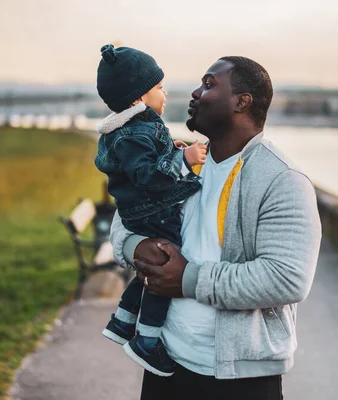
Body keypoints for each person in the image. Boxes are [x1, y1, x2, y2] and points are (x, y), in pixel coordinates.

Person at [110, 56, 322, 400]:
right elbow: (124, 220)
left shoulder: (282, 180)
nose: (195, 92)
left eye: (209, 84)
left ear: (242, 101)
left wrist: (188, 278)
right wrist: (134, 246)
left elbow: (287, 278)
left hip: (240, 380)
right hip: (165, 365)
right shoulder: (175, 160)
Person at [94, 44, 207, 377]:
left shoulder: (131, 128)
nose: (165, 92)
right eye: (158, 87)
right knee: (165, 266)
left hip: (142, 211)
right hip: (153, 211)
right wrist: (182, 161)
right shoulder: (138, 130)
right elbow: (146, 175)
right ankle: (147, 339)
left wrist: (170, 151)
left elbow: (144, 162)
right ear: (136, 99)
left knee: (152, 266)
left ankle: (123, 320)